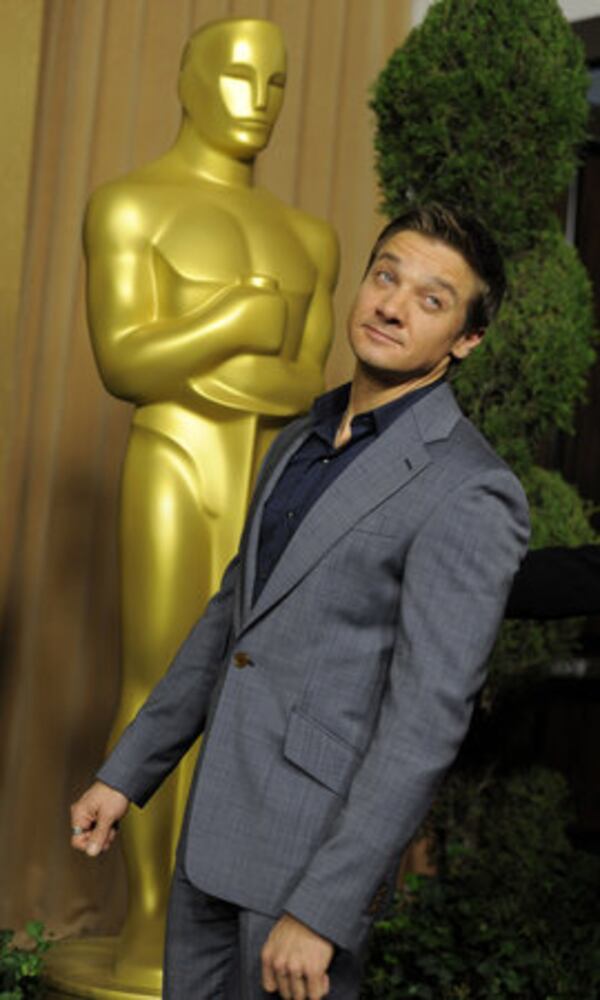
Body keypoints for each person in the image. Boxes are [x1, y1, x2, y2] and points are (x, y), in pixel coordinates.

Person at [71, 204, 530, 1000]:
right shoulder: (299, 440)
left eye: (432, 299)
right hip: (210, 835)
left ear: (467, 340)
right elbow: (232, 620)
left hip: (306, 863)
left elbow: (425, 723)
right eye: (385, 276)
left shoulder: (470, 489)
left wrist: (324, 910)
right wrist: (126, 774)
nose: (392, 306)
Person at [82, 17, 337, 986]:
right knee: (159, 679)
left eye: (277, 82)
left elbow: (306, 385)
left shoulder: (310, 236)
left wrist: (202, 356)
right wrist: (235, 320)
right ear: (187, 81)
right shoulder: (129, 206)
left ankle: (224, 924)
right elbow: (123, 361)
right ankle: (148, 925)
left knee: (257, 693)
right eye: (236, 74)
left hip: (274, 481)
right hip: (172, 462)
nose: (257, 100)